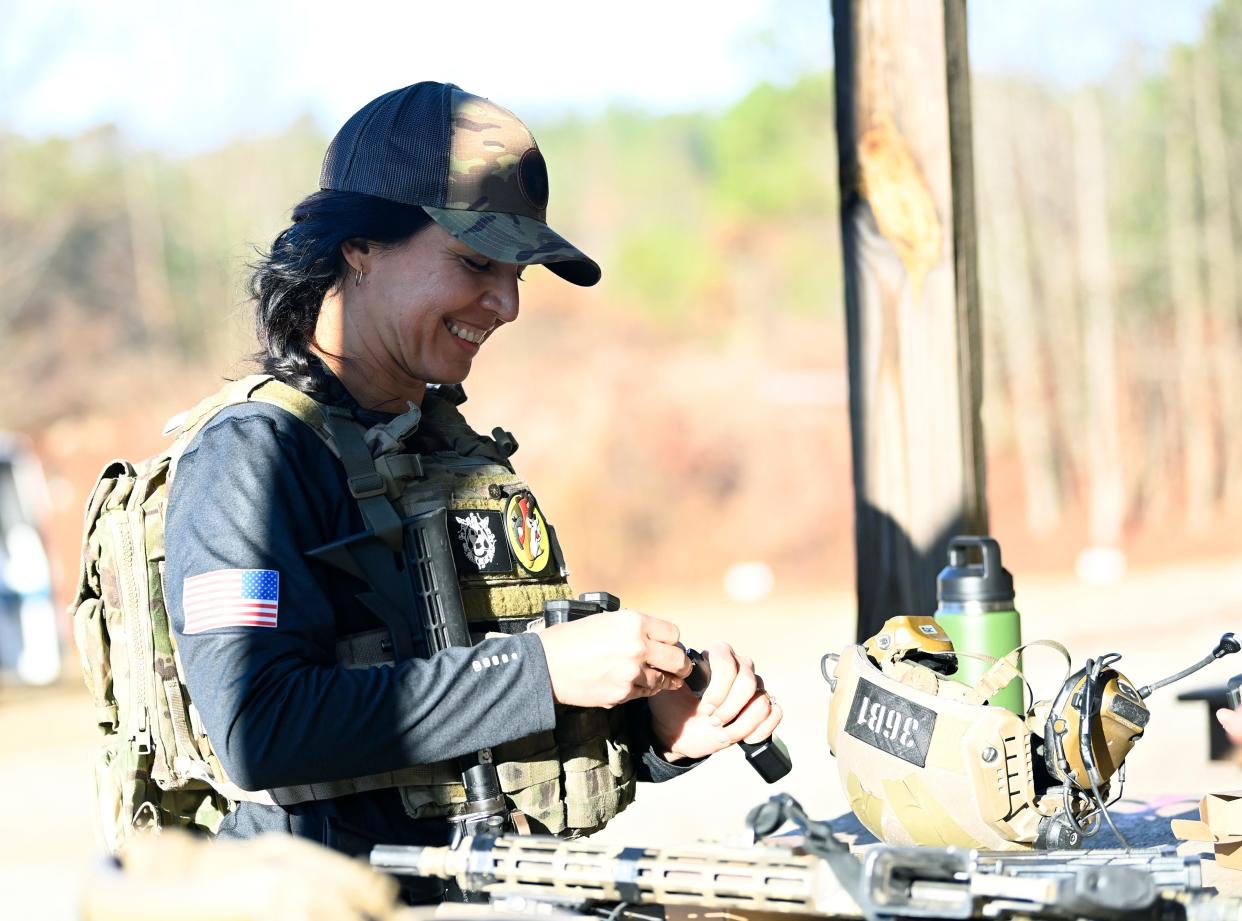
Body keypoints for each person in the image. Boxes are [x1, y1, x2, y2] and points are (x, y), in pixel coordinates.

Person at [163, 81, 782, 884]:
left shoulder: (440, 449)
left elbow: (464, 737)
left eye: (518, 270)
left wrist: (656, 733)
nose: (508, 302)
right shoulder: (253, 456)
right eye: (476, 261)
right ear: (359, 246)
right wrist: (544, 670)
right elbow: (261, 726)